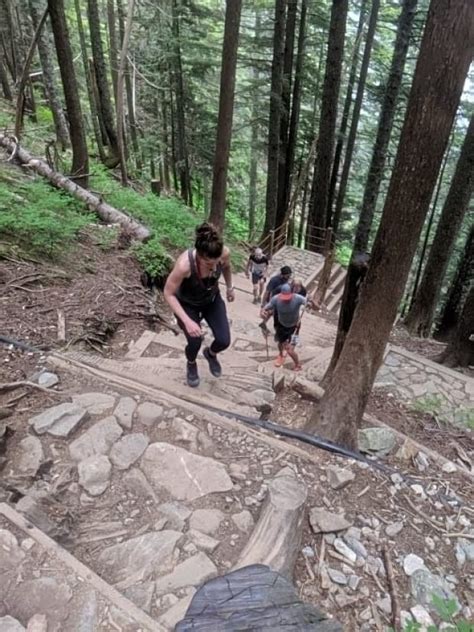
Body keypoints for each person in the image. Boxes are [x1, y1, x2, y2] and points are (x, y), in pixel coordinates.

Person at [164, 222, 235, 388]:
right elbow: (168, 293)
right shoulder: (184, 265)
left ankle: (210, 354)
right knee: (194, 341)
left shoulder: (223, 253)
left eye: (217, 262)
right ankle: (191, 363)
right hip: (188, 304)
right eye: (210, 264)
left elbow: (227, 267)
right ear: (200, 257)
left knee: (224, 340)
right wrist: (188, 321)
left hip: (211, 299)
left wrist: (230, 287)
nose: (215, 267)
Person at [261, 283, 306, 370]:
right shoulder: (276, 299)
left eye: (288, 298)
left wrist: (311, 303)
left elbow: (308, 303)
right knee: (280, 343)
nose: (286, 300)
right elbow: (266, 308)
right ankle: (281, 354)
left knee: (289, 349)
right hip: (282, 325)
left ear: (292, 294)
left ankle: (297, 365)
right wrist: (263, 312)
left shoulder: (298, 298)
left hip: (295, 326)